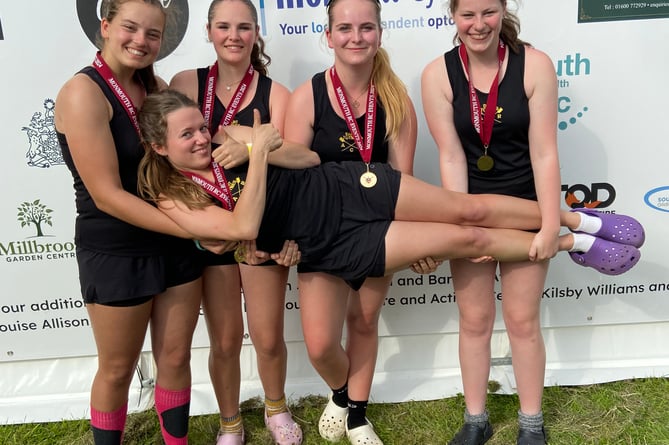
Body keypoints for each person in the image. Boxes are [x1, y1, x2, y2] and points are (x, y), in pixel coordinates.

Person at [137, 87, 643, 333]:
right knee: (466, 242)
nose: (203, 137)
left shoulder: (229, 135)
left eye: (201, 127)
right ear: (160, 148)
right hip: (329, 243)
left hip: (347, 187)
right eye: (188, 135)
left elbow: (309, 155)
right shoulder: (172, 196)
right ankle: (572, 245)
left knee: (466, 212)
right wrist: (262, 152)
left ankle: (582, 221)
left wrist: (253, 146)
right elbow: (243, 226)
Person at [420, 1, 643, 444]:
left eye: (488, 12)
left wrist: (544, 226)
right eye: (468, 14)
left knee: (522, 321)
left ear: (503, 10)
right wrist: (468, 232)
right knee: (475, 320)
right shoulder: (436, 75)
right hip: (473, 209)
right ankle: (475, 420)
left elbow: (543, 153)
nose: (478, 24)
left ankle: (531, 423)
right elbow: (449, 156)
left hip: (524, 205)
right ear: (452, 15)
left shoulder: (534, 65)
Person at [283, 0, 437, 443]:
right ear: (328, 36)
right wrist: (291, 238)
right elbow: (292, 180)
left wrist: (418, 241)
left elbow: (403, 183)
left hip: (377, 229)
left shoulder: (396, 100)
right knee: (319, 344)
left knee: (365, 323)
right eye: (345, 28)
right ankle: (340, 391)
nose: (356, 37)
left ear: (380, 34)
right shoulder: (307, 96)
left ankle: (356, 416)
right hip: (321, 233)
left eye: (366, 27)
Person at [53, 1, 205, 444]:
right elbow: (107, 195)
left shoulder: (153, 85)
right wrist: (196, 229)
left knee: (176, 357)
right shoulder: (83, 92)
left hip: (173, 243)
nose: (141, 41)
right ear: (105, 26)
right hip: (117, 249)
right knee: (118, 369)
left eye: (153, 35)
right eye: (130, 29)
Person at [168, 1, 318, 444]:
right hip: (210, 234)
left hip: (262, 233)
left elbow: (303, 159)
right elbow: (166, 158)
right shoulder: (185, 83)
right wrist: (202, 231)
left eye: (243, 27)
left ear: (257, 33)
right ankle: (230, 422)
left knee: (268, 337)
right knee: (226, 339)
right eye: (224, 26)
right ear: (210, 31)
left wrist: (251, 147)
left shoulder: (276, 94)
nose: (233, 35)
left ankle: (276, 409)